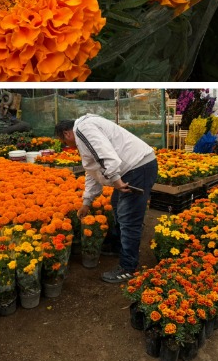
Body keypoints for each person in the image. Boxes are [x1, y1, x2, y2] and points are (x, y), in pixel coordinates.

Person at [56, 115, 158, 284]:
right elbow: (92, 171)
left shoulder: (83, 129)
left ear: (67, 133)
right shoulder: (85, 132)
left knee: (128, 218)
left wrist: (115, 179)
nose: (67, 146)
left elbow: (104, 154)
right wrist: (87, 202)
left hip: (137, 168)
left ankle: (128, 267)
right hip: (133, 167)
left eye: (64, 142)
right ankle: (119, 247)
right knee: (118, 205)